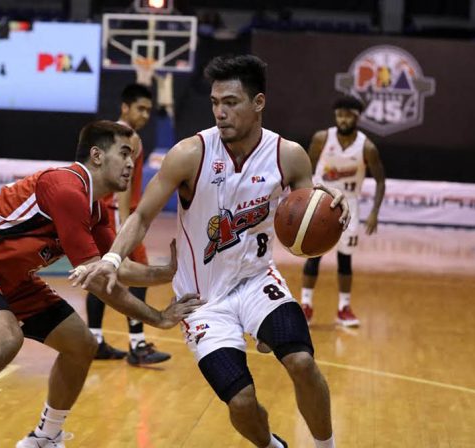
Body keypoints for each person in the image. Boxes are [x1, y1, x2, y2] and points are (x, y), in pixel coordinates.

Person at [72, 55, 349, 448]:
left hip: (256, 282)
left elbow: (309, 208)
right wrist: (113, 259)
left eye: (231, 102)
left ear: (258, 103)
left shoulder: (287, 155)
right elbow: (143, 215)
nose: (221, 112)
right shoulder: (190, 153)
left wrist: (330, 199)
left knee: (302, 362)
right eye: (216, 102)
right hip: (200, 300)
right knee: (241, 401)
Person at [0, 120, 203, 448]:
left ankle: (45, 436)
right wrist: (158, 318)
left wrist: (168, 271)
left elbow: (115, 268)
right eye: (124, 153)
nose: (130, 164)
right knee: (5, 339)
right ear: (96, 155)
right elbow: (100, 282)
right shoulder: (66, 188)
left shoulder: (95, 208)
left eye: (133, 157)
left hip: (13, 277)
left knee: (81, 345)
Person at [86, 84, 170, 365]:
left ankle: (94, 340)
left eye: (148, 109)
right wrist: (124, 225)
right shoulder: (129, 138)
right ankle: (137, 344)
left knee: (101, 276)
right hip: (119, 216)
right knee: (139, 275)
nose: (145, 114)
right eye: (140, 108)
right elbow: (122, 188)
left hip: (105, 212)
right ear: (125, 107)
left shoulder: (111, 133)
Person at [300, 96, 386, 327]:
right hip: (321, 199)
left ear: (357, 117)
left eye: (348, 115)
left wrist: (375, 212)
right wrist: (303, 202)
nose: (343, 119)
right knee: (313, 255)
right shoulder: (321, 139)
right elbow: (305, 171)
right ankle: (306, 305)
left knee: (345, 259)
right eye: (339, 115)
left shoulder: (367, 147)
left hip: (350, 205)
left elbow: (380, 181)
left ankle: (343, 308)